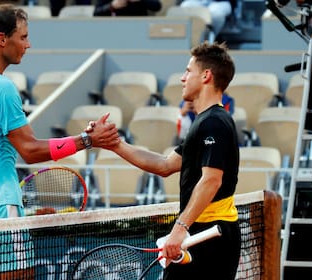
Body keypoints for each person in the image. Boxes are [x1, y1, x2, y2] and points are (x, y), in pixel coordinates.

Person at [0, 4, 119, 279]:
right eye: (23, 37)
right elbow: (30, 150)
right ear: (2, 39)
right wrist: (86, 140)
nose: (28, 44)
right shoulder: (1, 87)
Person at [88, 42, 241, 279]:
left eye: (188, 71)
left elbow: (212, 181)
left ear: (206, 76)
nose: (182, 78)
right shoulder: (205, 122)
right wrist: (114, 144)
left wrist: (180, 228)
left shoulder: (215, 122)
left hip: (210, 234)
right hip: (201, 231)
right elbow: (165, 165)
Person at [94, 0, 162, 16]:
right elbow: (96, 13)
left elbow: (157, 6)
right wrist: (111, 6)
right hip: (114, 27)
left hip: (139, 27)